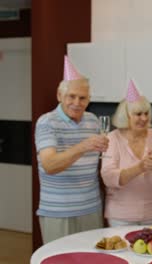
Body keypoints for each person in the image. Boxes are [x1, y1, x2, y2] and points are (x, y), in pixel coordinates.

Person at [35, 56, 109, 243]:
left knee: (92, 259)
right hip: (58, 211)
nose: (77, 102)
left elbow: (98, 159)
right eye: (71, 96)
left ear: (89, 99)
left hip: (91, 209)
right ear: (60, 96)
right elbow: (50, 165)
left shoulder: (93, 121)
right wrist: (83, 146)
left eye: (82, 98)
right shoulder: (47, 122)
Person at [101, 80, 152, 226]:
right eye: (138, 114)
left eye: (146, 113)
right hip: (121, 215)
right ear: (126, 116)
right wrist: (140, 167)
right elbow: (108, 177)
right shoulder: (112, 139)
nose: (144, 118)